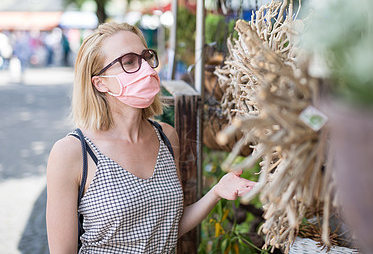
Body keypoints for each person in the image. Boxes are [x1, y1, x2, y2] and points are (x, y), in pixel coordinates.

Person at [46, 22, 256, 253]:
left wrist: (216, 191)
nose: (146, 68)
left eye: (146, 57)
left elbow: (168, 227)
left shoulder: (166, 136)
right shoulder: (73, 152)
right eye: (129, 62)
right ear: (100, 83)